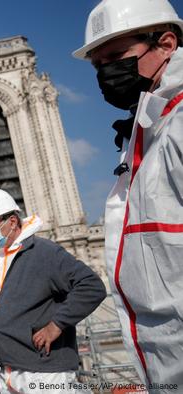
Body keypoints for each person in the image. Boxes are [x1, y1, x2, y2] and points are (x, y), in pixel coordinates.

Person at [73, 0, 183, 389]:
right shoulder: (148, 130)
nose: (107, 73)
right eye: (98, 65)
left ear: (166, 44)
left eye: (117, 56)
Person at [0, 189, 106, 393]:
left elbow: (92, 286)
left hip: (44, 373)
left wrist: (56, 325)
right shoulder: (6, 256)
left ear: (13, 222)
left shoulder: (43, 252)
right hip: (14, 371)